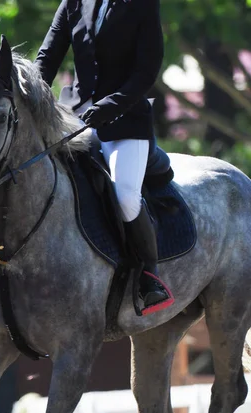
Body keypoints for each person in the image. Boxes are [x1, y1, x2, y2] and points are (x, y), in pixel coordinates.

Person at [35, 0, 174, 314]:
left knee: (125, 196)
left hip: (125, 120)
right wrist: (31, 96)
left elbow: (146, 70)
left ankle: (149, 277)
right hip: (75, 118)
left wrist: (113, 105)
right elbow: (48, 56)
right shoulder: (73, 3)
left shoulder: (142, 6)